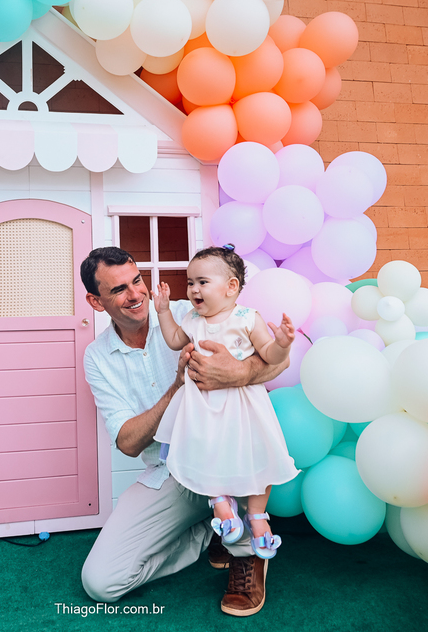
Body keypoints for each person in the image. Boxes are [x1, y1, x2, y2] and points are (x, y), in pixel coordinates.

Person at [79, 246, 290, 617]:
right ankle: (208, 531)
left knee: (244, 451)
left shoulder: (193, 310)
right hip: (170, 471)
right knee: (101, 582)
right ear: (96, 302)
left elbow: (278, 362)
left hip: (225, 449)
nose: (136, 294)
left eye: (137, 281)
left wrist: (236, 372)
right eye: (119, 290)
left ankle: (245, 555)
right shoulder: (97, 357)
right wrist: (178, 386)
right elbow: (127, 442)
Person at [153, 245, 299, 562]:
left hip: (243, 403)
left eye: (202, 282)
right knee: (205, 451)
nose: (193, 289)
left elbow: (269, 355)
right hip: (202, 407)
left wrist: (282, 345)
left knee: (259, 456)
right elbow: (175, 340)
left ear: (231, 286)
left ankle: (257, 515)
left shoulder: (247, 318)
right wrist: (163, 312)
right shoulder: (193, 318)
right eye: (190, 282)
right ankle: (220, 501)